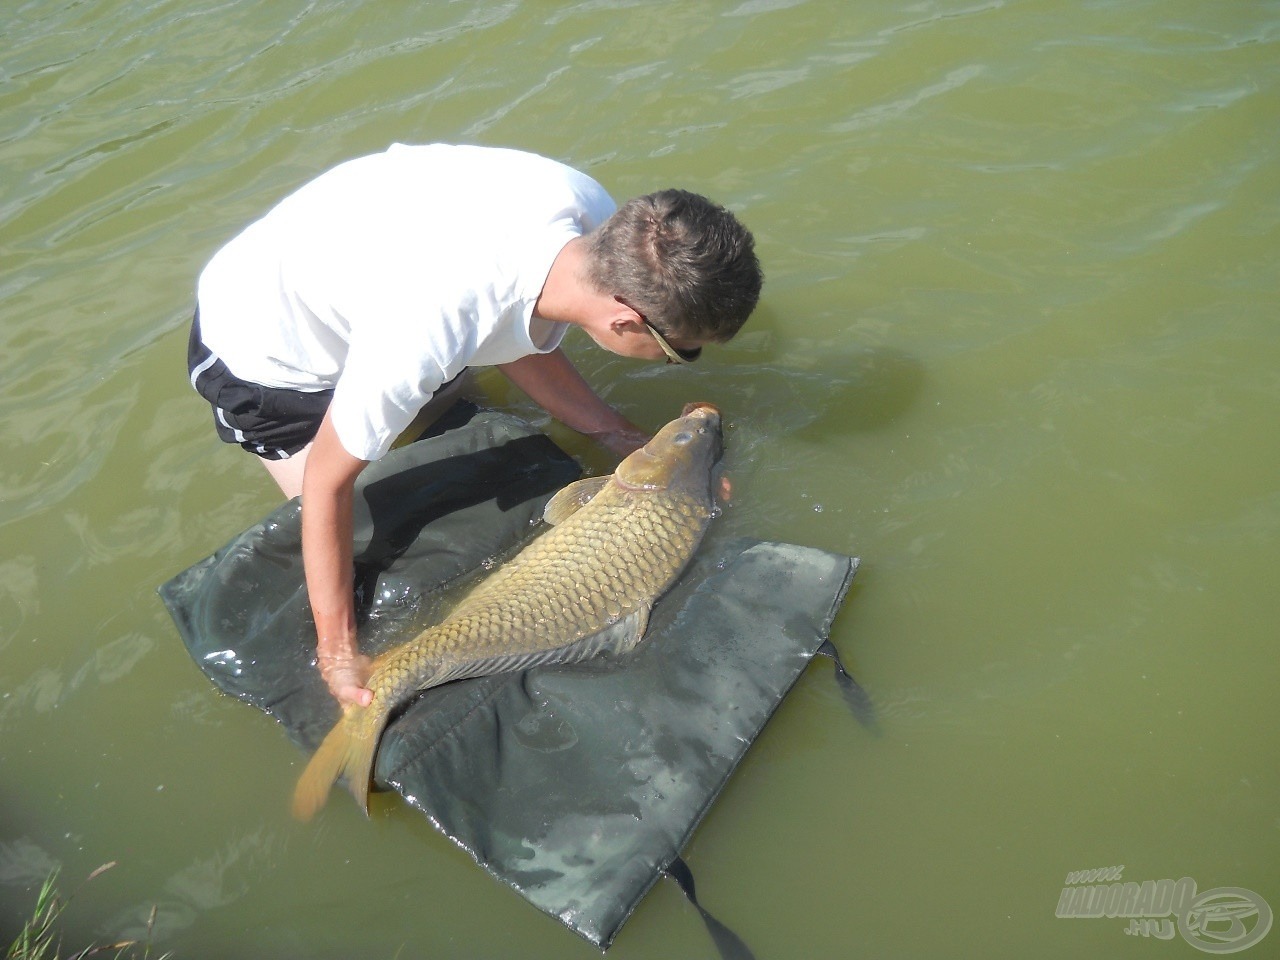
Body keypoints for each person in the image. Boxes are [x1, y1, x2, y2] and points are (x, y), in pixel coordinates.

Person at [187, 142, 761, 707]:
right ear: (625, 320)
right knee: (359, 525)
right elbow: (325, 484)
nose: (679, 363)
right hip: (266, 352)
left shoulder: (592, 215)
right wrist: (338, 653)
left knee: (444, 404)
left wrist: (624, 440)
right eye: (682, 353)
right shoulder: (420, 337)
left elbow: (506, 309)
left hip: (374, 268)